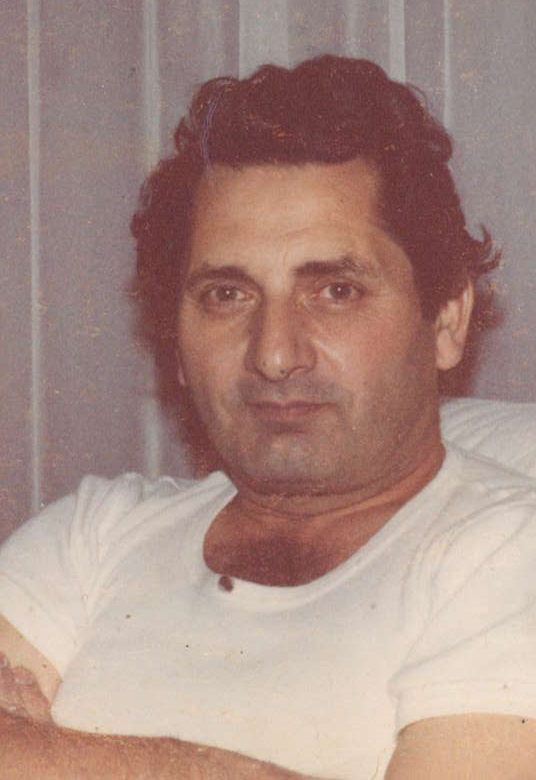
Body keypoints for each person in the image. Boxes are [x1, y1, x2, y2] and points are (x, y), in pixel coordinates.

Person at [1, 55, 536, 779]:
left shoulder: (509, 554)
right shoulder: (93, 534)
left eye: (336, 291)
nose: (275, 354)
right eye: (227, 295)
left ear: (446, 319)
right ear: (176, 341)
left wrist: (47, 752)